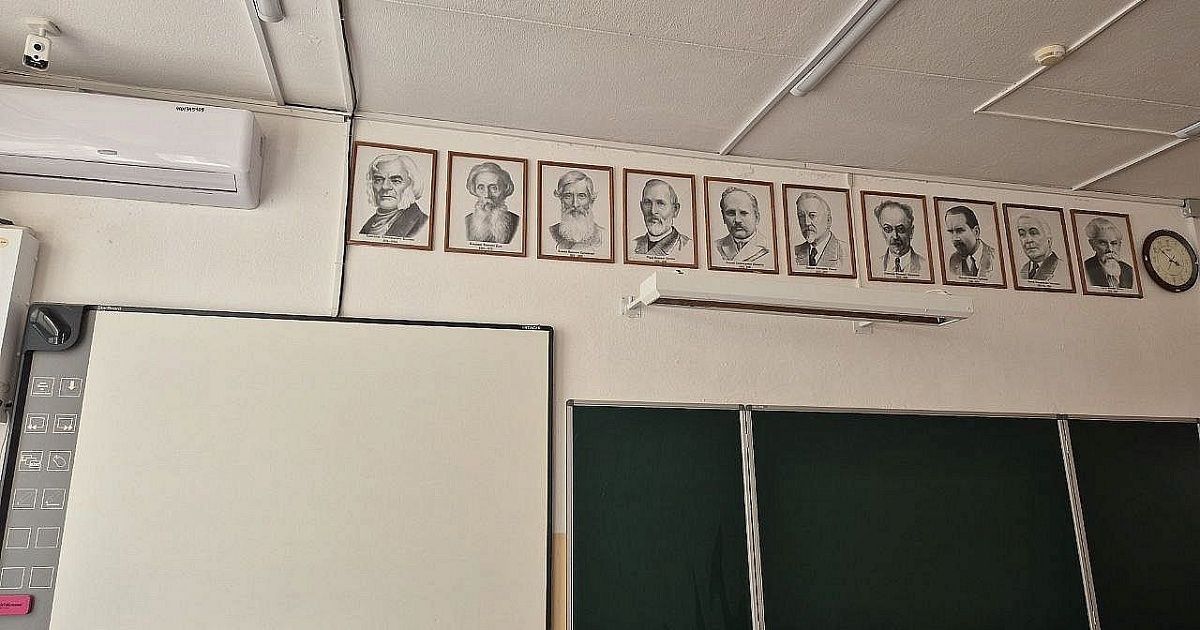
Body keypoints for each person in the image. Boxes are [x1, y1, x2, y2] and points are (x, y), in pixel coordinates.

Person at [359, 154, 427, 239]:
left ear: (410, 184)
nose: (385, 187)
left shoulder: (422, 223)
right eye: (378, 180)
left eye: (396, 181)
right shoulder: (368, 225)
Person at [464, 162, 520, 244]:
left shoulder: (517, 221)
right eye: (481, 188)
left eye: (494, 188)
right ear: (474, 190)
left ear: (505, 189)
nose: (487, 195)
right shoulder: (466, 221)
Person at [549, 170, 605, 252]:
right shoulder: (550, 233)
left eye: (581, 196)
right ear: (561, 199)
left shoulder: (603, 235)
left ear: (591, 200)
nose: (575, 204)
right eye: (568, 196)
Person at [633, 179, 690, 256]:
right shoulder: (632, 245)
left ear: (675, 210)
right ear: (641, 207)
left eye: (660, 203)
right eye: (647, 203)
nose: (653, 211)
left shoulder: (688, 246)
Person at [714, 187, 772, 263]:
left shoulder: (769, 245)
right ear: (723, 217)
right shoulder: (715, 246)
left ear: (757, 217)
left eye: (743, 213)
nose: (737, 220)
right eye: (731, 213)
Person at [792, 192, 847, 271]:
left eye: (812, 215)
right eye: (801, 216)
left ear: (828, 220)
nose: (807, 222)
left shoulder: (846, 252)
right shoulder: (793, 253)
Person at [943, 205, 998, 280]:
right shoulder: (953, 260)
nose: (955, 238)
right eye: (951, 232)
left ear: (976, 232)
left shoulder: (996, 258)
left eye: (960, 231)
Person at [873, 200, 923, 273]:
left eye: (900, 229)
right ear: (882, 232)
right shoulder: (875, 265)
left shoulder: (924, 265)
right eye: (888, 229)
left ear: (911, 231)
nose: (895, 236)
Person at [1083, 217, 1134, 288]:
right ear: (1092, 244)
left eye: (1114, 243)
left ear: (1119, 245)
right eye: (1103, 243)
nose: (1110, 249)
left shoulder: (1128, 270)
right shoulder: (1085, 268)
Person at [1015, 213, 1064, 282]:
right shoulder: (1021, 271)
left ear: (1049, 240)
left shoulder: (1062, 269)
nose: (1028, 240)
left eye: (1033, 233)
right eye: (1022, 234)